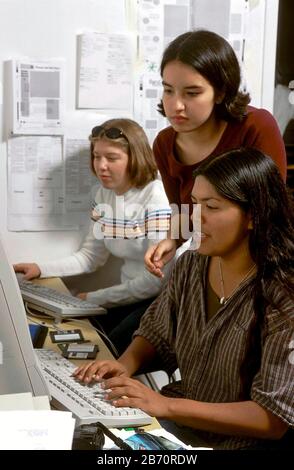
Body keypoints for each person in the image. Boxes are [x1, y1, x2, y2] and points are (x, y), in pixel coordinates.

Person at [74, 148, 294, 450]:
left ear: (254, 216)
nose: (195, 218)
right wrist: (124, 364)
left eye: (212, 207)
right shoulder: (191, 263)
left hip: (236, 443)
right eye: (194, 203)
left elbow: (271, 419)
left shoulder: (283, 294)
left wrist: (164, 405)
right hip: (180, 426)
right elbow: (158, 331)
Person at [14, 118, 172, 356]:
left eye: (111, 158)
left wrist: (93, 298)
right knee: (72, 343)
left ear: (135, 158)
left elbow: (155, 282)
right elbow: (90, 257)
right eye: (97, 156)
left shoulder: (156, 196)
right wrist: (40, 268)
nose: (101, 165)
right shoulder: (102, 195)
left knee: (103, 352)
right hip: (127, 296)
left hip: (159, 301)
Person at [144, 29, 287, 278]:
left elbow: (271, 213)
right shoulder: (164, 144)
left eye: (192, 93)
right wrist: (172, 241)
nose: (176, 105)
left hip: (259, 264)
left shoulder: (256, 126)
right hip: (207, 263)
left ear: (221, 92)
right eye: (168, 90)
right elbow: (182, 211)